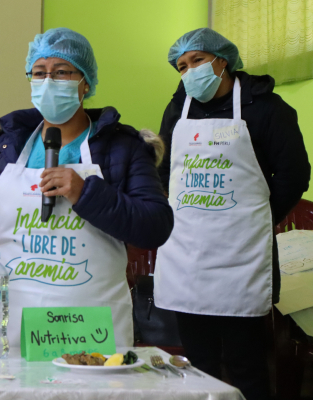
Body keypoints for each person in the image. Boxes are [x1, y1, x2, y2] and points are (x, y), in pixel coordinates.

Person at [0, 27, 174, 348]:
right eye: (39, 73)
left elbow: (155, 227)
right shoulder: (5, 145)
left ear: (85, 82)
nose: (48, 81)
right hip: (1, 323)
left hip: (84, 329)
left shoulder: (122, 148)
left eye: (61, 72)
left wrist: (86, 193)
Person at [154, 28, 310, 399]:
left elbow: (294, 174)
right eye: (182, 66)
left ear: (222, 61)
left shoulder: (268, 108)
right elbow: (164, 170)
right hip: (187, 256)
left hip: (242, 257)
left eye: (197, 60)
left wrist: (256, 219)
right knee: (197, 366)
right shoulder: (178, 109)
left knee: (247, 364)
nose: (190, 71)